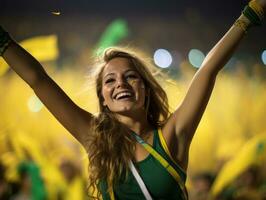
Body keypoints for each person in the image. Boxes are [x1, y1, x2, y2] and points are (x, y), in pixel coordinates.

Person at [0, 0, 265, 199]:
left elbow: (207, 69)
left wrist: (250, 14)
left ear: (146, 89)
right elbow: (39, 80)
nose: (121, 84)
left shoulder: (172, 136)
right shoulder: (95, 138)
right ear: (103, 97)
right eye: (110, 80)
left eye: (130, 77)